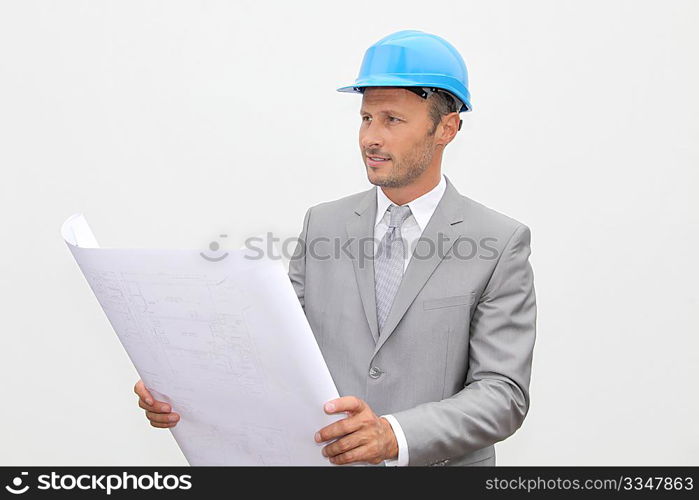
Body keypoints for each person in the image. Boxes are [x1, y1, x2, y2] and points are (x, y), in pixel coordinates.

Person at [134, 29, 537, 467]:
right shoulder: (322, 225)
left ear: (447, 127)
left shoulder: (498, 243)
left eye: (392, 120)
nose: (370, 138)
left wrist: (394, 435)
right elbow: (274, 348)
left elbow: (503, 393)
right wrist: (186, 390)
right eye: (366, 119)